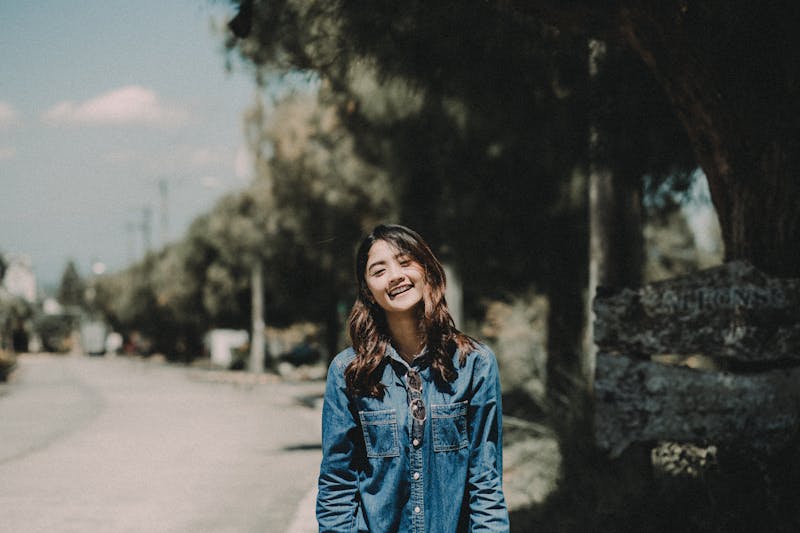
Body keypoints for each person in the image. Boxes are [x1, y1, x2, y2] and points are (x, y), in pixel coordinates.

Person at [316, 224, 509, 532]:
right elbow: (337, 485)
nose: (395, 276)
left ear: (427, 269)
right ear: (368, 290)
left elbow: (485, 483)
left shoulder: (475, 364)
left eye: (405, 262)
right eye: (379, 271)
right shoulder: (348, 372)